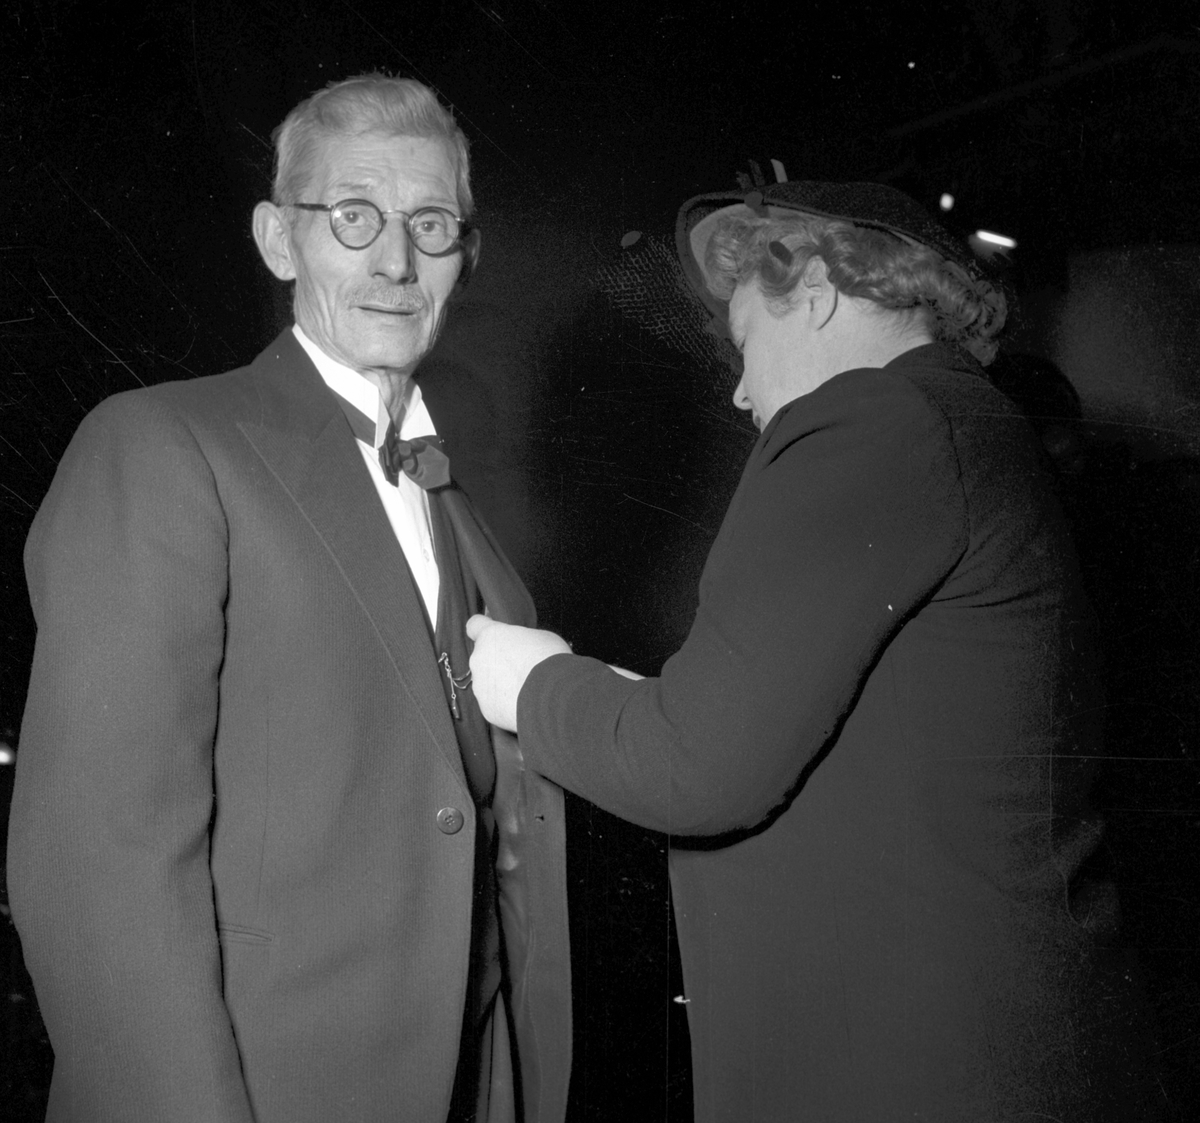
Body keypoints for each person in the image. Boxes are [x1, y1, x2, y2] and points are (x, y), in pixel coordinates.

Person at [467, 181, 1163, 1121]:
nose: (739, 389)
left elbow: (696, 769)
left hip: (911, 1071)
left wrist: (530, 682)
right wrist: (643, 700)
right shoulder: (963, 420)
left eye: (746, 338)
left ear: (819, 290)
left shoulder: (870, 418)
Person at [7, 74, 571, 1123]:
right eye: (353, 216)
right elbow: (98, 869)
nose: (396, 261)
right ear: (278, 241)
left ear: (466, 254)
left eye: (430, 223)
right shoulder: (161, 443)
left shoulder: (457, 505)